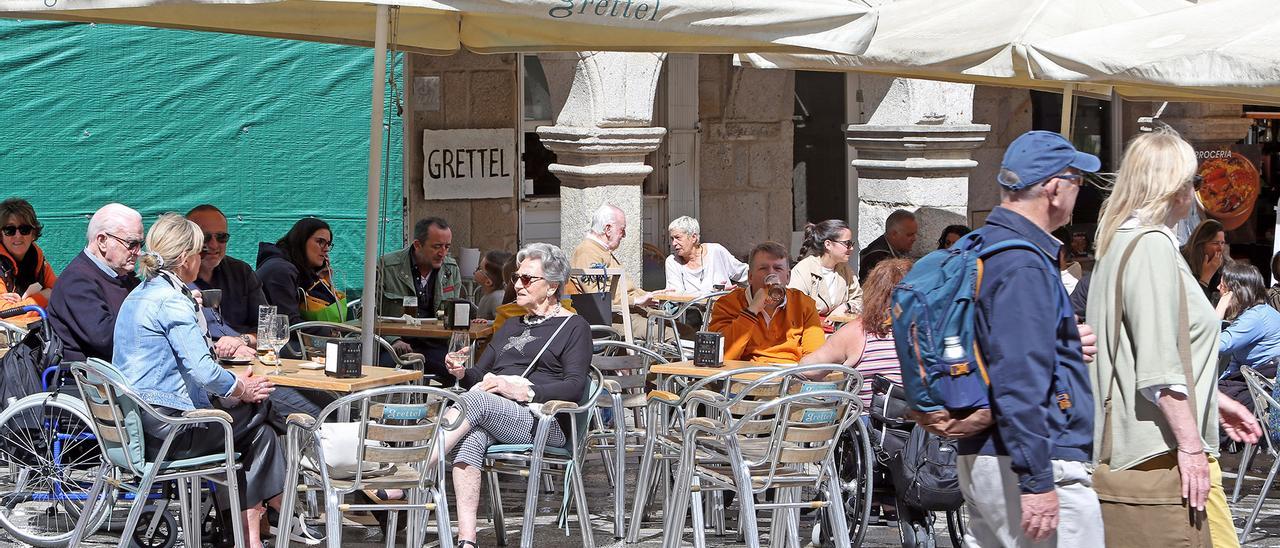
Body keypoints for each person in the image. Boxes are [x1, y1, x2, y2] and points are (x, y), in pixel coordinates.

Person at [1088, 130, 1261, 548]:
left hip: (1145, 446)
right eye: (1194, 182)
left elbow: (1149, 350)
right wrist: (1191, 448)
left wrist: (1214, 400)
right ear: (1174, 188)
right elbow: (1158, 368)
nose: (1197, 193)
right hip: (1156, 451)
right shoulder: (1150, 246)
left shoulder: (1121, 242)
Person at [955, 130, 1102, 547]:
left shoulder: (983, 245)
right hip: (1031, 458)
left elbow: (1000, 342)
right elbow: (1018, 378)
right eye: (1078, 180)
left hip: (991, 454)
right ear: (1055, 188)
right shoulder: (1022, 262)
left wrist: (1060, 339)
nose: (1080, 191)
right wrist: (1036, 481)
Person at [111, 213, 284, 548]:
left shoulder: (142, 293)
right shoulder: (172, 301)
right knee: (263, 420)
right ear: (188, 258)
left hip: (137, 423)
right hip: (168, 430)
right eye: (200, 251)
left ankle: (251, 525)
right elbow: (203, 370)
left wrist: (236, 389)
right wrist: (241, 388)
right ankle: (271, 509)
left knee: (258, 428)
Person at [432, 242, 591, 548]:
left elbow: (574, 385)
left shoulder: (574, 327)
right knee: (471, 438)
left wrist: (525, 389)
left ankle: (415, 469)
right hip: (497, 413)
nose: (517, 284)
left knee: (478, 402)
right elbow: (480, 378)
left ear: (552, 286)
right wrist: (462, 372)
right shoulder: (511, 325)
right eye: (517, 277)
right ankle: (467, 540)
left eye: (528, 279)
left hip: (546, 421)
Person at [799, 258, 911, 407]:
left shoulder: (856, 332)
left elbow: (808, 370)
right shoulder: (928, 332)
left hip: (866, 424)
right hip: (918, 424)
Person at [48, 203, 143, 363]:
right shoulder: (77, 281)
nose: (138, 252)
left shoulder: (125, 276)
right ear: (102, 241)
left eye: (141, 244)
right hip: (91, 381)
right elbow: (106, 339)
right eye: (131, 244)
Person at [708, 241, 824, 363]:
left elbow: (815, 356)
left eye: (778, 268)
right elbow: (721, 355)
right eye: (763, 268)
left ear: (788, 277)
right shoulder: (727, 304)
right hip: (746, 378)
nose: (771, 273)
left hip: (790, 376)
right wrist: (752, 310)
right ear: (750, 277)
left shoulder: (804, 304)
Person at [186, 205, 266, 359]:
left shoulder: (241, 271)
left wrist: (241, 341)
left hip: (249, 359)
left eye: (222, 237)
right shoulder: (175, 280)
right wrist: (220, 351)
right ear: (188, 240)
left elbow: (267, 329)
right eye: (205, 238)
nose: (214, 245)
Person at [1215, 262, 1280, 411]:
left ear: (1234, 291)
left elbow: (1214, 344)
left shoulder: (1255, 317)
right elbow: (1235, 362)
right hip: (1257, 383)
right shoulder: (1256, 313)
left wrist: (1221, 306)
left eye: (1223, 285)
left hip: (1264, 389)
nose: (1218, 288)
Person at [256, 218, 345, 327]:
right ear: (301, 240)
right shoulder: (280, 270)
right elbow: (288, 323)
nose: (326, 249)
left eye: (328, 244)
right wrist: (333, 332)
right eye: (320, 242)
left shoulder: (298, 270)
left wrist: (320, 282)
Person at [569, 203, 656, 307]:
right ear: (608, 229)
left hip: (626, 312)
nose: (624, 235)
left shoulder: (601, 250)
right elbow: (599, 297)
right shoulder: (587, 252)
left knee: (670, 321)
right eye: (622, 229)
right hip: (615, 317)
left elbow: (626, 290)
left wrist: (653, 296)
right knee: (665, 323)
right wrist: (636, 301)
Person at [376, 217, 461, 320]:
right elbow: (366, 313)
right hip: (398, 335)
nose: (442, 253)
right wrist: (392, 336)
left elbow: (455, 315)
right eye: (437, 247)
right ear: (417, 245)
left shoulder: (451, 269)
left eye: (447, 247)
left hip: (439, 336)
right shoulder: (387, 267)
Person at [789, 220, 863, 325]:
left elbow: (859, 298)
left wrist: (846, 307)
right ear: (828, 244)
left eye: (851, 243)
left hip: (838, 330)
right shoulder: (804, 270)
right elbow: (794, 309)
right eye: (847, 243)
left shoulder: (845, 269)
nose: (851, 248)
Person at [0, 199, 57, 325]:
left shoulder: (38, 258)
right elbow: (6, 315)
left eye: (24, 229)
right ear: (1, 235)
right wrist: (44, 296)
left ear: (33, 233)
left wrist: (22, 304)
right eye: (10, 230)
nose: (18, 235)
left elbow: (60, 292)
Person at [663, 215, 747, 294]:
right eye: (672, 238)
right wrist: (712, 292)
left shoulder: (716, 251)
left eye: (678, 238)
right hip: (691, 309)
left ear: (693, 237)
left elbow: (744, 273)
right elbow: (676, 296)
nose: (673, 243)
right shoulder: (672, 262)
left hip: (723, 307)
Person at [859, 209, 917, 281]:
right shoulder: (876, 257)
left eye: (915, 234)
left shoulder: (898, 248)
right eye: (909, 235)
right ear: (894, 234)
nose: (915, 238)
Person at [1182, 219, 1227, 304]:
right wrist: (1206, 276)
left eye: (1222, 243)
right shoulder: (1182, 261)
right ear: (1201, 244)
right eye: (1215, 243)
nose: (1220, 248)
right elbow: (1195, 305)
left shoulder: (1225, 266)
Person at [474, 250, 511, 320]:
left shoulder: (497, 297)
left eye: (479, 268)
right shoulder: (489, 295)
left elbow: (503, 322)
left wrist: (486, 323)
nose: (476, 269)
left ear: (488, 282)